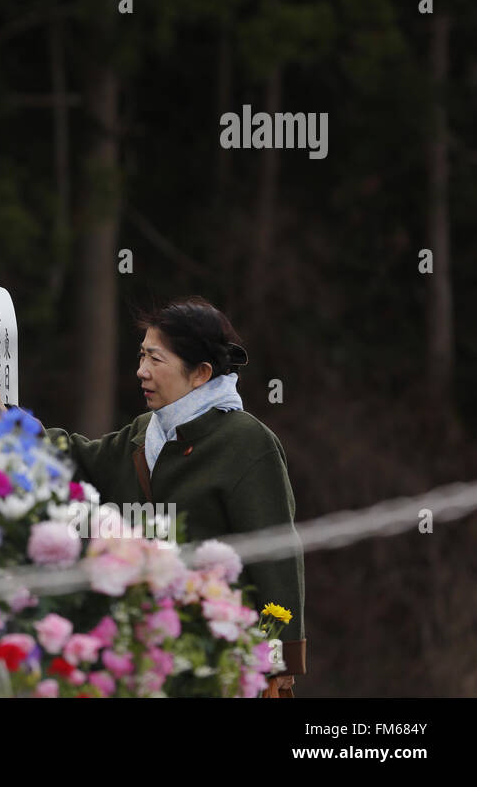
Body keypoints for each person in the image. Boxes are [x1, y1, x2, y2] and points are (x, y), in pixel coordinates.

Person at [18, 297, 306, 697]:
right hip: (145, 653)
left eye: (156, 359)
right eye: (141, 357)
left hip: (221, 658)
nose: (141, 371)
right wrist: (15, 429)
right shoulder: (144, 430)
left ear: (200, 373)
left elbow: (276, 555)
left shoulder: (247, 441)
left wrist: (278, 663)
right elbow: (82, 460)